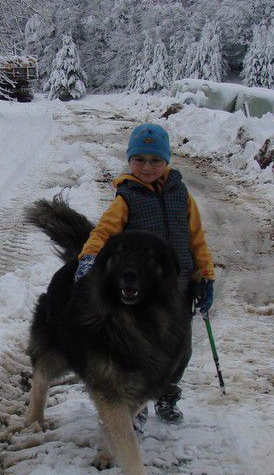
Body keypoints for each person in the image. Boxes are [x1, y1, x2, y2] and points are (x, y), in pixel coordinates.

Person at [75, 122, 215, 425]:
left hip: (178, 288)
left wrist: (205, 275)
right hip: (143, 292)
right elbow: (102, 233)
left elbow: (196, 239)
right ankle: (134, 406)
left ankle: (166, 394)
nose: (147, 167)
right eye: (139, 159)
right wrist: (88, 259)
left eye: (154, 160)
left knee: (180, 350)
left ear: (166, 161)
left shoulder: (182, 195)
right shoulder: (126, 198)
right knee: (139, 350)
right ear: (129, 161)